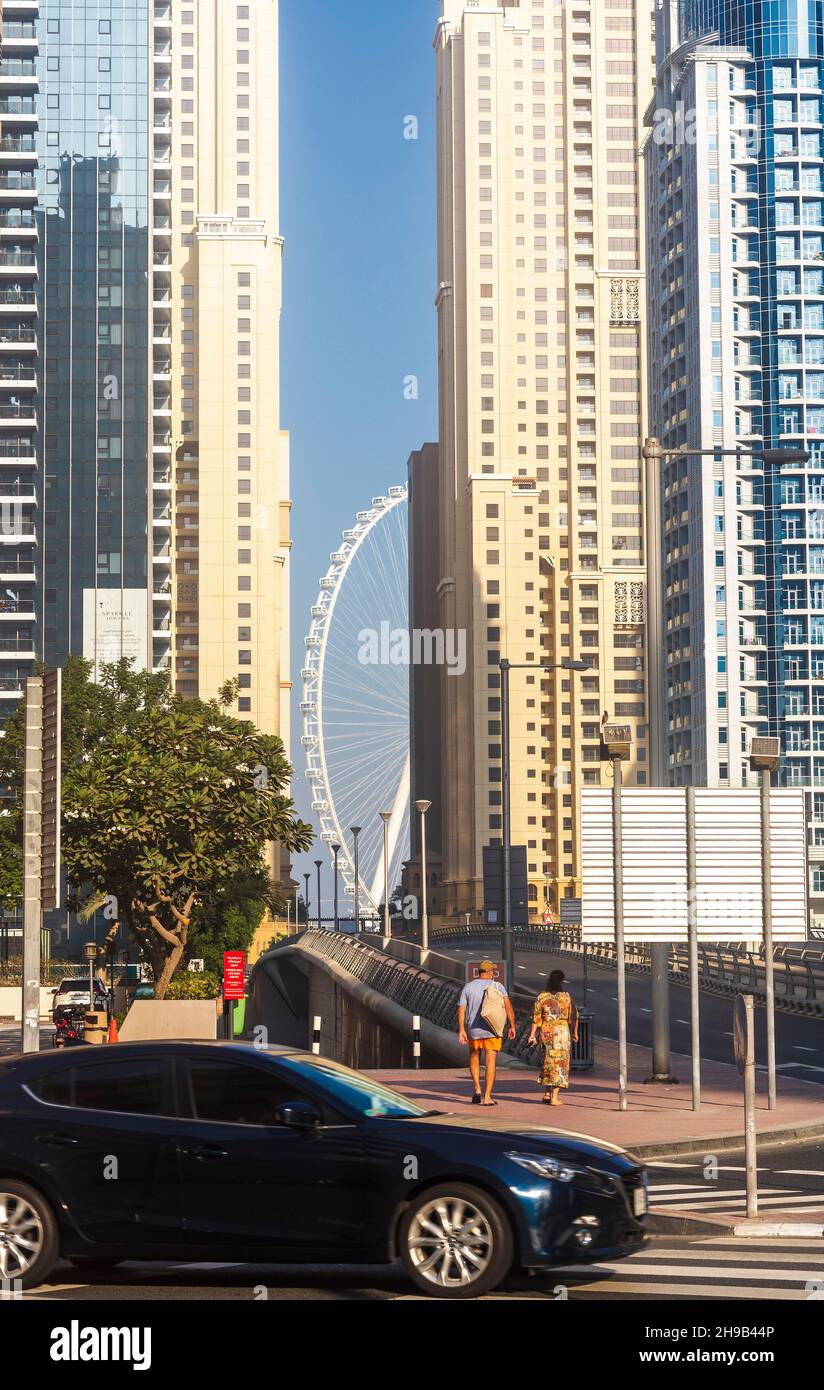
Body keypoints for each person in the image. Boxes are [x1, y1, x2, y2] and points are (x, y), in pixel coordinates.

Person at [457, 960, 516, 1106]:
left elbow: (461, 1009)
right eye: (493, 972)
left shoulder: (468, 987)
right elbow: (508, 1008)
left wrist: (462, 1030)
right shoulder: (497, 986)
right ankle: (487, 1097)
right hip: (492, 1029)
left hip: (473, 1029)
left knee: (474, 1056)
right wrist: (512, 1026)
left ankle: (477, 1088)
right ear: (490, 972)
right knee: (491, 1062)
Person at [528, 969, 579, 1106]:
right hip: (561, 1034)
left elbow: (536, 1019)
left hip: (547, 1033)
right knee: (559, 1064)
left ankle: (546, 1093)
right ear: (562, 981)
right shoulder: (566, 997)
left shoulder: (542, 997)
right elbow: (574, 1016)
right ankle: (554, 1097)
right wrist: (575, 1033)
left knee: (548, 1062)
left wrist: (532, 1035)